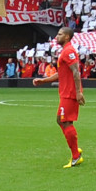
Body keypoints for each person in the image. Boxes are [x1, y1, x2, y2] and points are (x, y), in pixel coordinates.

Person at [31, 27, 85, 168]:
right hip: (66, 93)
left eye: (60, 34)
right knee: (60, 120)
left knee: (65, 122)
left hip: (70, 93)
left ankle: (76, 156)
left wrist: (79, 92)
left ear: (67, 37)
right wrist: (43, 80)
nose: (57, 36)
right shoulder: (65, 52)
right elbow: (62, 74)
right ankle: (75, 149)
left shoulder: (69, 51)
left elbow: (76, 72)